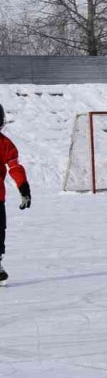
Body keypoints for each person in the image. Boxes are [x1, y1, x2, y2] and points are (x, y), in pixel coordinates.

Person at [0, 103, 32, 286]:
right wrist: (24, 187)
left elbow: (14, 166)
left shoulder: (4, 144)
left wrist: (24, 187)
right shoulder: (4, 142)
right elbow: (15, 167)